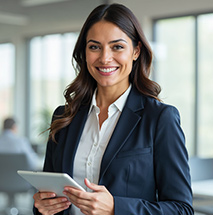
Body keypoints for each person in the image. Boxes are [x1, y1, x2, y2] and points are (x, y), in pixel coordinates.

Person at [33, 3, 194, 215]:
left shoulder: (159, 118)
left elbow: (181, 209)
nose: (104, 58)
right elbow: (49, 198)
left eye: (117, 47)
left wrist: (116, 208)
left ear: (136, 51)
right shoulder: (65, 116)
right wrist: (42, 207)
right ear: (84, 53)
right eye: (94, 47)